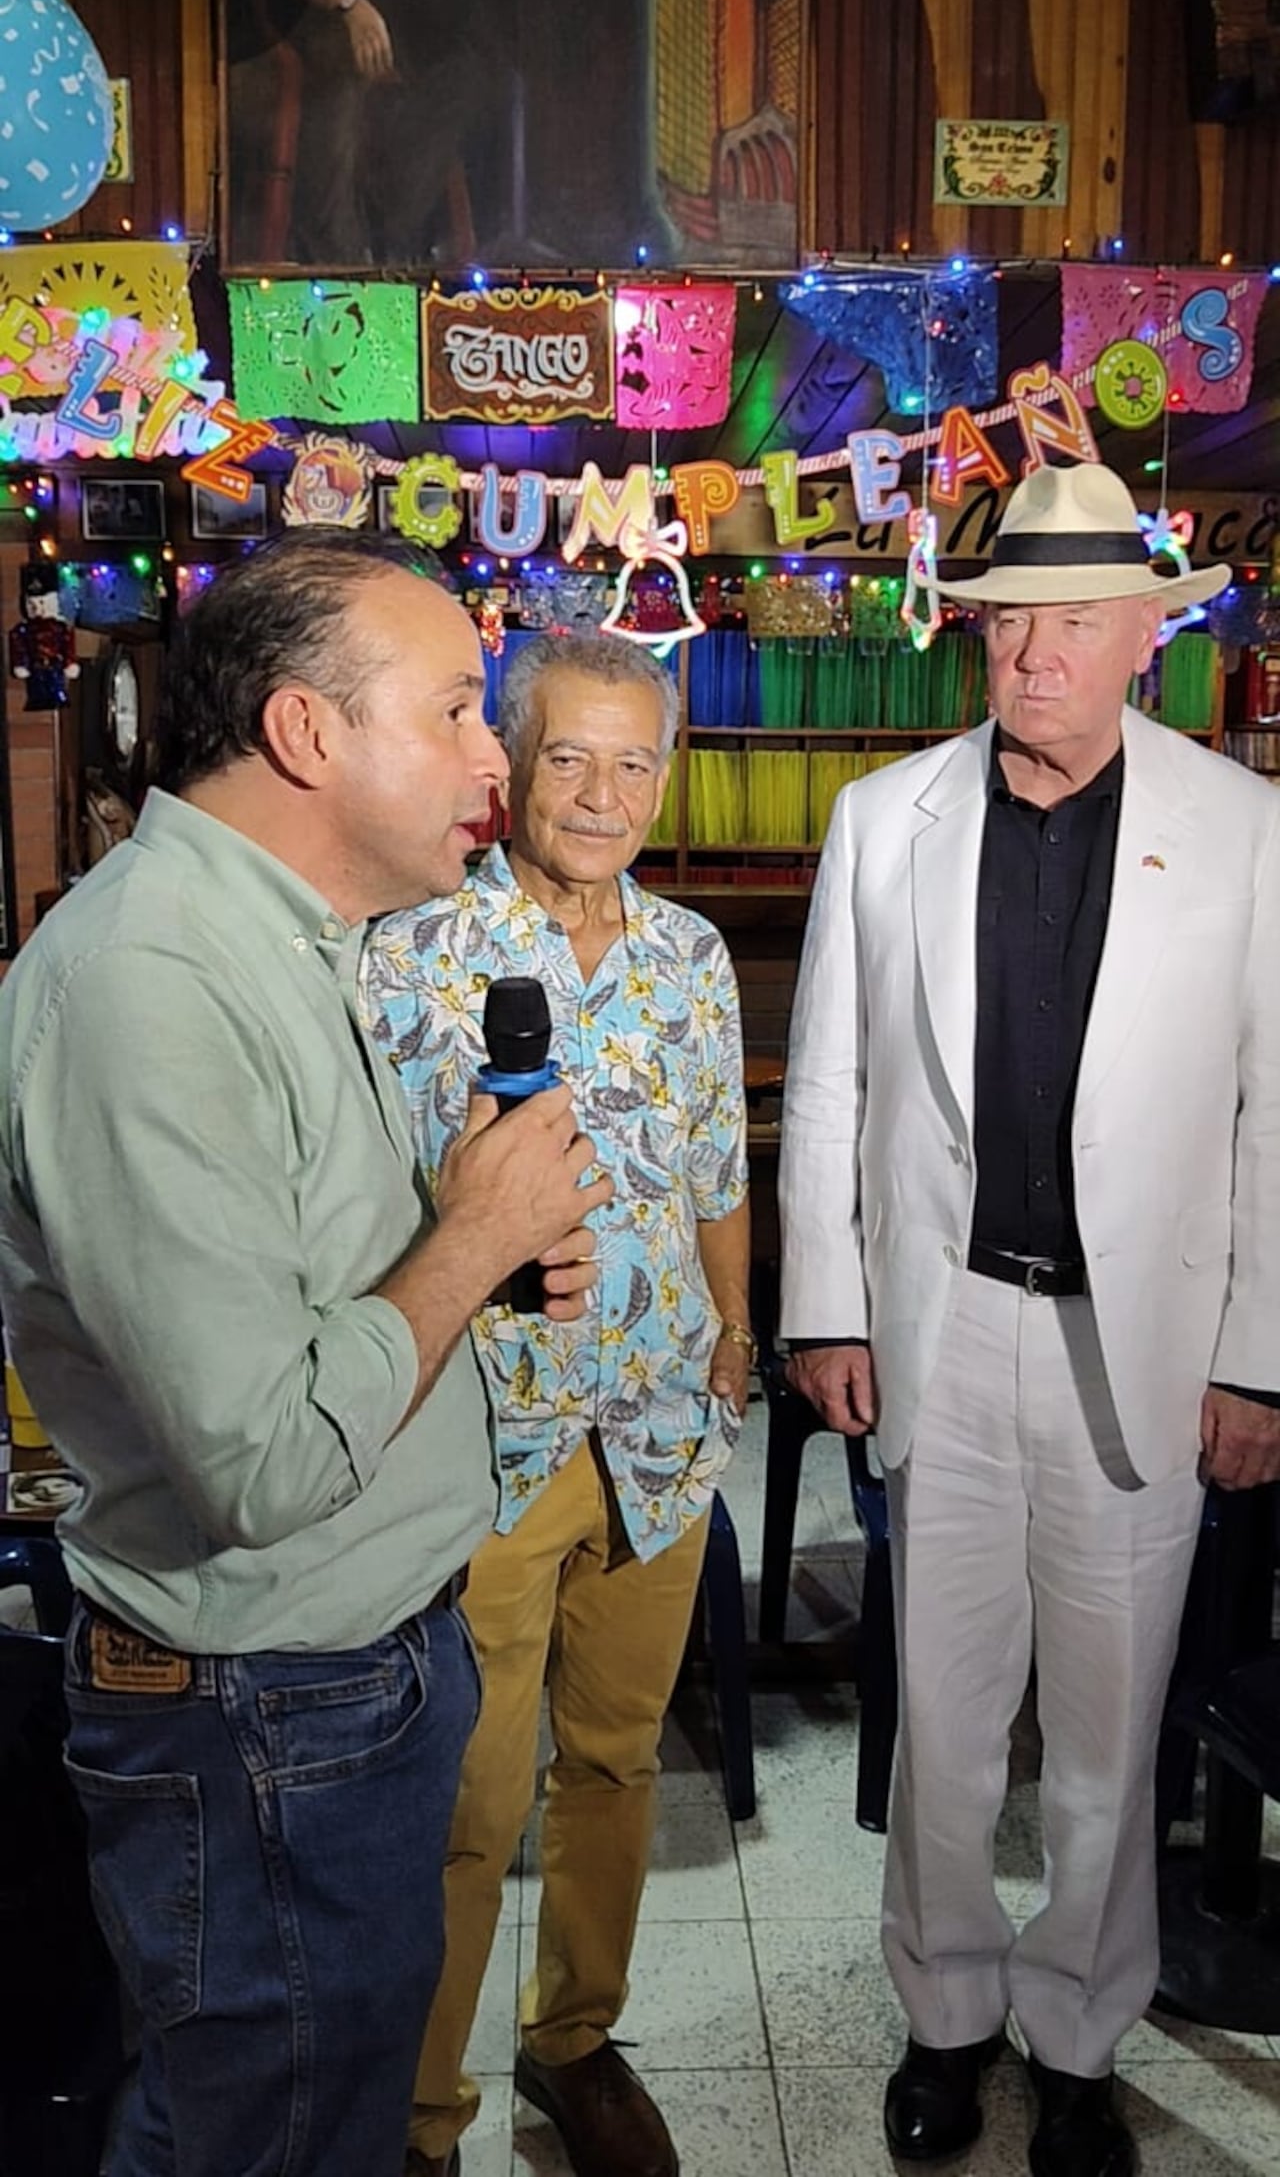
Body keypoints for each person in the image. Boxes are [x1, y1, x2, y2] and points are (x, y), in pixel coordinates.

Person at [0, 530, 612, 2177]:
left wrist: (464, 1255)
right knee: (284, 2136)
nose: (500, 757)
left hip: (332, 1681)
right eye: (459, 709)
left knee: (252, 2112)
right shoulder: (149, 985)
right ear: (305, 735)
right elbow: (261, 1456)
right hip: (262, 1710)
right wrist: (472, 1233)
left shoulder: (279, 938)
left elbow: (291, 1281)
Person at [779, 463, 1280, 2177]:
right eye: (1008, 626)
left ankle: (1079, 2031)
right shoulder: (883, 819)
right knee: (943, 1702)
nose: (1033, 658)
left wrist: (1257, 1352)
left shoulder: (1244, 827)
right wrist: (826, 1305)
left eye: (1072, 624)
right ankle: (947, 2014)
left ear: (1147, 636)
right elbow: (836, 1077)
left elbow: (1272, 1109)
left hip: (1141, 1347)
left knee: (1109, 1718)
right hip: (945, 1330)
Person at [361, 630, 750, 2177]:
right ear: (511, 765)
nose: (601, 794)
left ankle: (575, 2041)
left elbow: (719, 1165)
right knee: (464, 1798)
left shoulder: (690, 959)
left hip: (658, 1437)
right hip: (485, 1444)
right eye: (568, 758)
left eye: (633, 761)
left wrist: (735, 1328)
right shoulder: (415, 951)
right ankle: (420, 2114)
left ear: (666, 775)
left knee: (618, 1762)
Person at [245, 0, 502, 265]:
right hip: (314, 0)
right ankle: (339, 255)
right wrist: (349, 5)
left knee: (464, 74)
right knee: (343, 72)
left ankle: (394, 236)